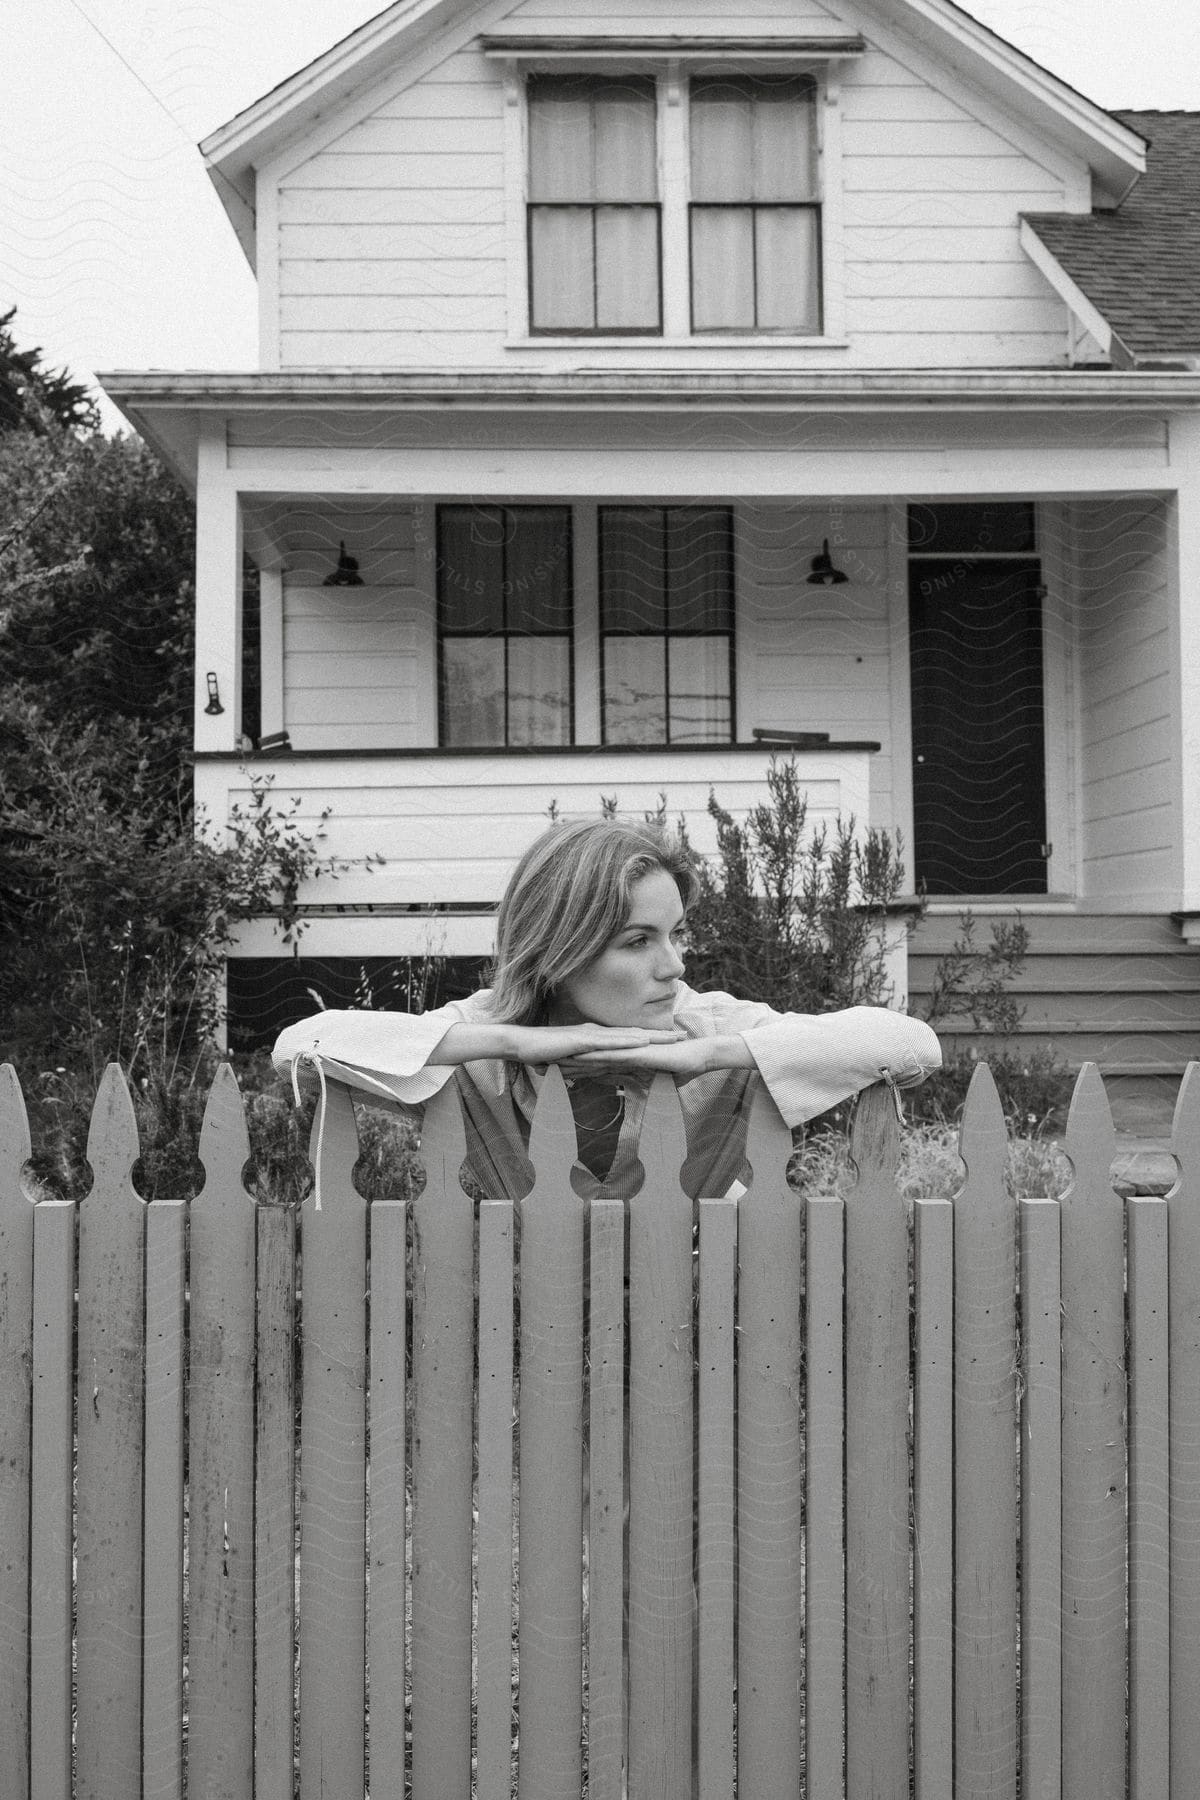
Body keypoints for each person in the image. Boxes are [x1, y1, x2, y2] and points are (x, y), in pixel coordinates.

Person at [273, 817, 941, 1200]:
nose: (673, 964)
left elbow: (911, 1047)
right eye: (638, 941)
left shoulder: (703, 1025)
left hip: (710, 1326)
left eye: (676, 934)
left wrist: (712, 1054)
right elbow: (300, 1047)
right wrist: (511, 1046)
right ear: (559, 952)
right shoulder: (483, 1044)